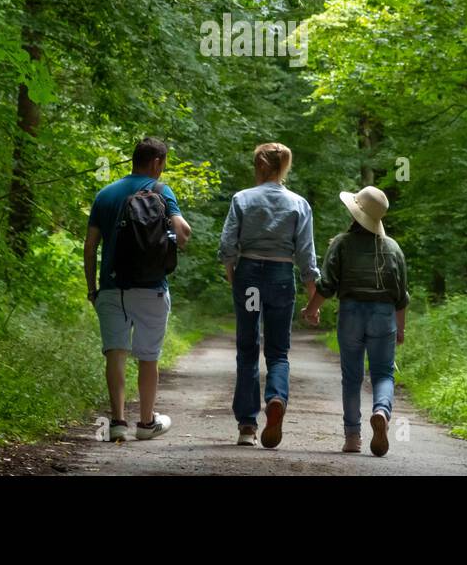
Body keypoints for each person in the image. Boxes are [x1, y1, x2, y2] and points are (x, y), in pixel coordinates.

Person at [84, 137, 192, 443]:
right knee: (148, 357)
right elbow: (183, 233)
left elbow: (90, 247)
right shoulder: (160, 190)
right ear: (157, 162)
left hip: (111, 288)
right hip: (152, 289)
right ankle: (146, 423)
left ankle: (117, 421)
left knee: (115, 354)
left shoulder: (105, 194)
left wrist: (93, 289)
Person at [218, 142, 320, 448]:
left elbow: (227, 245)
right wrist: (313, 296)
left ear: (259, 165)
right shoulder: (298, 204)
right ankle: (276, 397)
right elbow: (306, 255)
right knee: (278, 351)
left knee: (248, 347)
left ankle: (247, 426)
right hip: (280, 276)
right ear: (283, 166)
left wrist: (233, 274)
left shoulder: (242, 198)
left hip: (249, 276)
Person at [302, 185, 409, 456]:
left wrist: (312, 309)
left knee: (351, 377)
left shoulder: (342, 243)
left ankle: (352, 437)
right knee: (383, 373)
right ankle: (381, 412)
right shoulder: (393, 248)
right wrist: (401, 328)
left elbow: (327, 284)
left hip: (350, 312)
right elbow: (401, 296)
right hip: (383, 315)